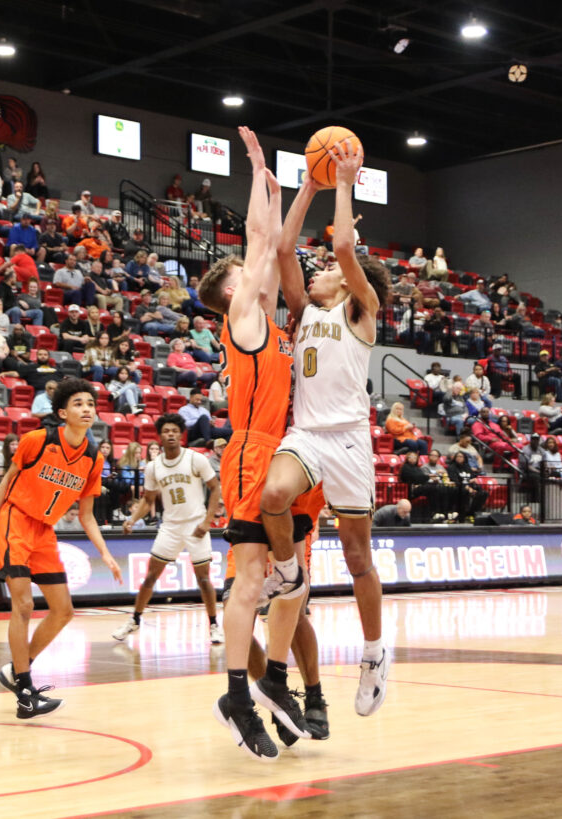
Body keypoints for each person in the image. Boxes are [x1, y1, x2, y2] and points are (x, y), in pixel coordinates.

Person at [261, 135, 391, 718]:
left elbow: (341, 247)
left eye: (326, 271)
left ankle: (373, 653)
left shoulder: (361, 310)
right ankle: (288, 573)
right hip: (309, 435)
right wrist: (309, 187)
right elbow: (286, 245)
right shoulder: (305, 311)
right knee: (274, 494)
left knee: (359, 558)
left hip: (349, 442)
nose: (315, 272)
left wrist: (343, 182)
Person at [196, 127, 315, 760]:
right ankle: (239, 694)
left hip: (281, 453)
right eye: (247, 276)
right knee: (248, 582)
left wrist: (275, 188)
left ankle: (268, 684)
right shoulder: (242, 321)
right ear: (231, 295)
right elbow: (260, 238)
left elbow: (265, 245)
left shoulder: (266, 323)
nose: (258, 277)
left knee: (285, 581)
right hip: (250, 452)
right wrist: (258, 169)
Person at [0, 378, 122, 718]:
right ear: (62, 412)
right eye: (78, 403)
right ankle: (26, 692)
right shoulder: (37, 440)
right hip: (15, 519)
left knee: (63, 610)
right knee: (24, 605)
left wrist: (104, 553)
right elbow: (8, 481)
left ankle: (17, 669)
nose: (86, 408)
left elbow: (86, 515)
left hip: (44, 530)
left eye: (90, 403)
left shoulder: (92, 457)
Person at [113, 414, 223, 642]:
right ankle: (134, 620)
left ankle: (214, 625)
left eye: (175, 430)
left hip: (196, 525)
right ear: (159, 436)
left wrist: (207, 522)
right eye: (166, 431)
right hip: (171, 527)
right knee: (151, 576)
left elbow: (215, 488)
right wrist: (132, 519)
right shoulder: (153, 467)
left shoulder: (194, 459)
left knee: (204, 580)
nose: (171, 434)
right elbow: (148, 500)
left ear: (181, 434)